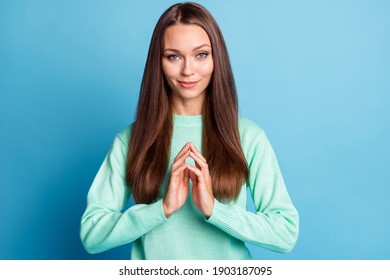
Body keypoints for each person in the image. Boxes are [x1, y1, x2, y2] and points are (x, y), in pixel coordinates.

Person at [80, 2, 299, 260]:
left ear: (217, 58)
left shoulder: (247, 137)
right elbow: (92, 234)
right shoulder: (131, 140)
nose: (187, 70)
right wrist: (162, 208)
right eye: (173, 56)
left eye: (201, 54)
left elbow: (285, 232)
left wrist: (214, 210)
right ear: (158, 62)